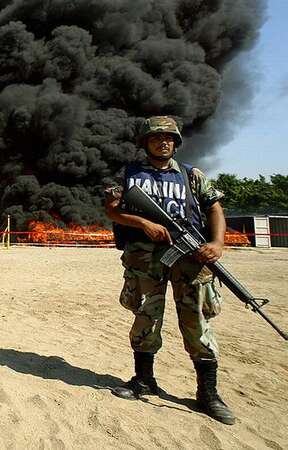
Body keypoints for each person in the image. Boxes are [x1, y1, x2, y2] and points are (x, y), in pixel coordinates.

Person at [104, 116, 235, 425]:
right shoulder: (130, 174)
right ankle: (144, 380)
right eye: (155, 138)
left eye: (168, 138)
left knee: (195, 320)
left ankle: (208, 394)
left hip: (190, 258)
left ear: (175, 143)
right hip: (145, 259)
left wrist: (217, 243)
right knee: (147, 314)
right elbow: (112, 208)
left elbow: (214, 208)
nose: (163, 142)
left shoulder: (192, 175)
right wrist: (143, 223)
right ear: (145, 143)